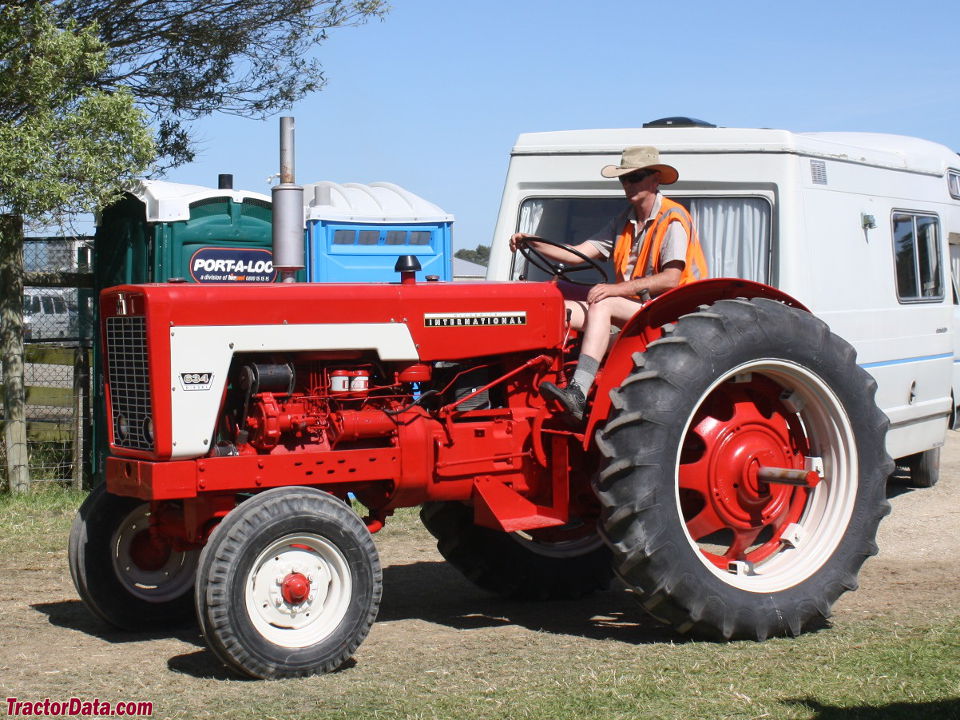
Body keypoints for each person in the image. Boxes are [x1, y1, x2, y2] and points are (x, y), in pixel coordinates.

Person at [510, 145, 708, 422]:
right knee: (557, 309)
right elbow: (574, 254)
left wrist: (614, 290)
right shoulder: (623, 221)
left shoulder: (673, 218)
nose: (628, 184)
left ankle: (578, 391)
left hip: (672, 315)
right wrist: (532, 241)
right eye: (624, 178)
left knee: (602, 303)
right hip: (635, 308)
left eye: (636, 177)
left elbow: (671, 279)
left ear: (656, 180)